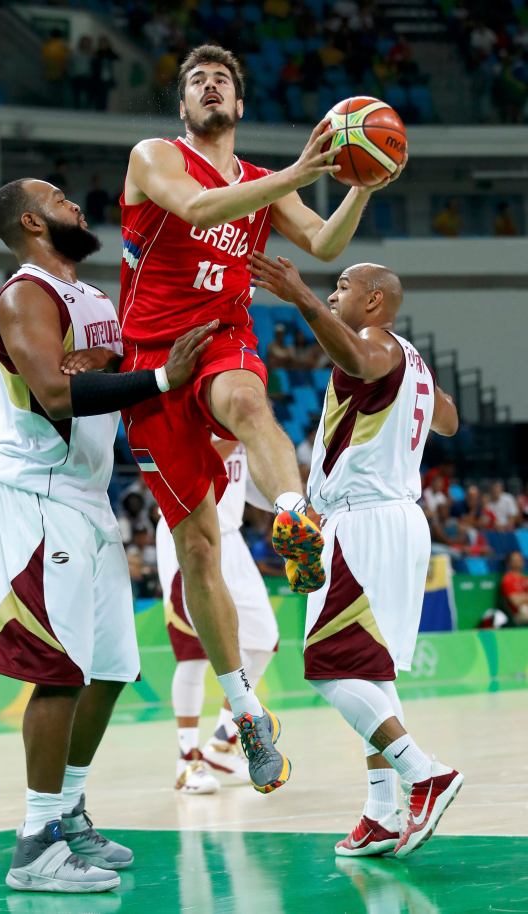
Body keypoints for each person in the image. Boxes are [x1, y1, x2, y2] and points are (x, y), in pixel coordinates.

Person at [118, 43, 405, 794]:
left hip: (222, 339)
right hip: (151, 362)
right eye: (196, 82)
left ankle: (292, 516)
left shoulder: (265, 182)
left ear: (239, 107)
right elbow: (201, 208)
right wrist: (306, 171)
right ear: (184, 107)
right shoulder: (154, 156)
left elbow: (324, 242)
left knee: (248, 400)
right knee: (198, 548)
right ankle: (244, 711)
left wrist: (363, 183)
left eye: (222, 82)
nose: (210, 88)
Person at [0, 176, 216, 894]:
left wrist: (115, 366)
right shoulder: (25, 294)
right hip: (38, 495)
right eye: (57, 198)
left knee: (110, 668)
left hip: (88, 498)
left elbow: (98, 374)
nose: (76, 203)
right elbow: (54, 393)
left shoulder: (93, 299)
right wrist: (161, 380)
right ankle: (36, 842)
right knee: (56, 671)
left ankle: (69, 812)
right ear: (31, 222)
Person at [249, 250, 463, 858]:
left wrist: (302, 298)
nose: (333, 290)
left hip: (362, 522)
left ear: (374, 301)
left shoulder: (373, 343)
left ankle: (424, 773)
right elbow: (446, 420)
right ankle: (379, 810)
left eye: (343, 285)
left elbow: (360, 357)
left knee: (327, 666)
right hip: (401, 521)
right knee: (370, 670)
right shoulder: (413, 361)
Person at [156, 439, 278, 793]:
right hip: (188, 529)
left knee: (262, 643)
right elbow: (192, 466)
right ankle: (186, 760)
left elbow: (247, 487)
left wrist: (289, 502)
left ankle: (223, 744)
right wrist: (236, 430)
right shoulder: (201, 410)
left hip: (231, 539)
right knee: (193, 654)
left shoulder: (234, 416)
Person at [500, 551, 528, 625]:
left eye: (521, 559)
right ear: (509, 563)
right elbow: (515, 601)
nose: (520, 562)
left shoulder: (525, 579)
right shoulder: (508, 579)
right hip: (519, 614)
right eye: (516, 560)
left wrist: (523, 597)